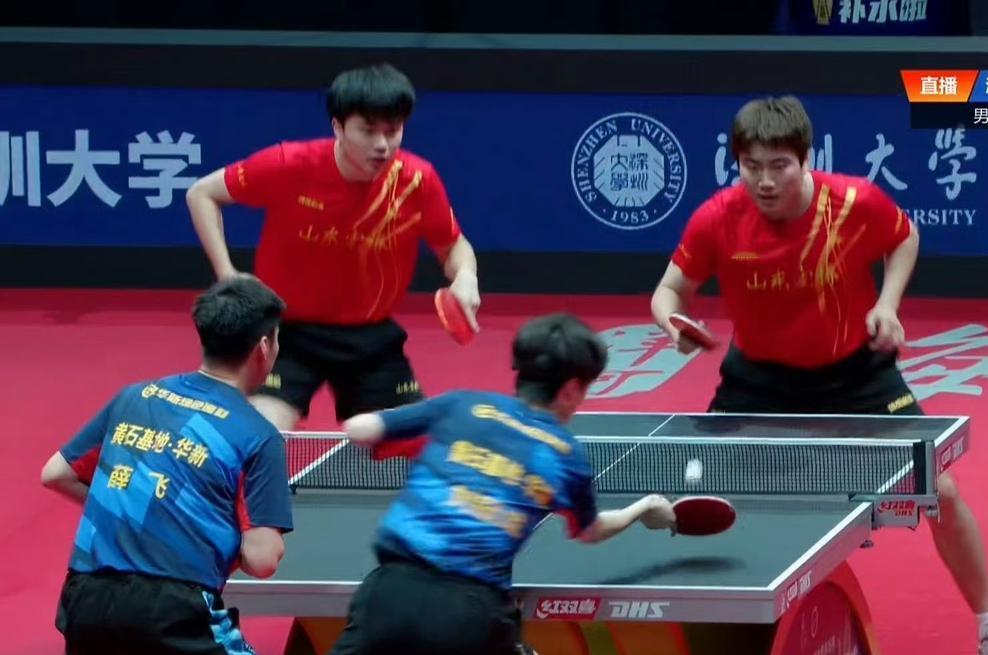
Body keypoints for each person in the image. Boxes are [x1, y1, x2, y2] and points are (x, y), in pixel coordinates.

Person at [649, 96, 988, 655]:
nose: (765, 181)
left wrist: (888, 304)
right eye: (752, 166)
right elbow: (669, 290)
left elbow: (904, 236)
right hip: (759, 382)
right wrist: (674, 322)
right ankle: (695, 626)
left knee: (939, 490)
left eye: (779, 165)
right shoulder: (717, 218)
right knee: (695, 492)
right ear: (736, 162)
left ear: (806, 159)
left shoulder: (852, 203)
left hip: (855, 374)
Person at [328, 313, 677, 655]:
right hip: (469, 614)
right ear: (572, 388)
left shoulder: (460, 405)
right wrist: (643, 508)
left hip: (387, 595)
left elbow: (359, 430)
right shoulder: (564, 456)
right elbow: (591, 531)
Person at [186, 62, 481, 432]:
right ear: (338, 127)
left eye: (393, 131)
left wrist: (465, 276)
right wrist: (227, 274)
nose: (382, 145)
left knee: (413, 443)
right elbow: (202, 193)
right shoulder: (289, 165)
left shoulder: (416, 180)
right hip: (285, 332)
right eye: (368, 131)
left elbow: (452, 245)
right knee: (260, 435)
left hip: (371, 338)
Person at [40, 275, 295, 654]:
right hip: (174, 611)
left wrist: (146, 514)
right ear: (264, 346)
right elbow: (261, 560)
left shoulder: (133, 397)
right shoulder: (258, 436)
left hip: (85, 599)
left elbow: (56, 474)